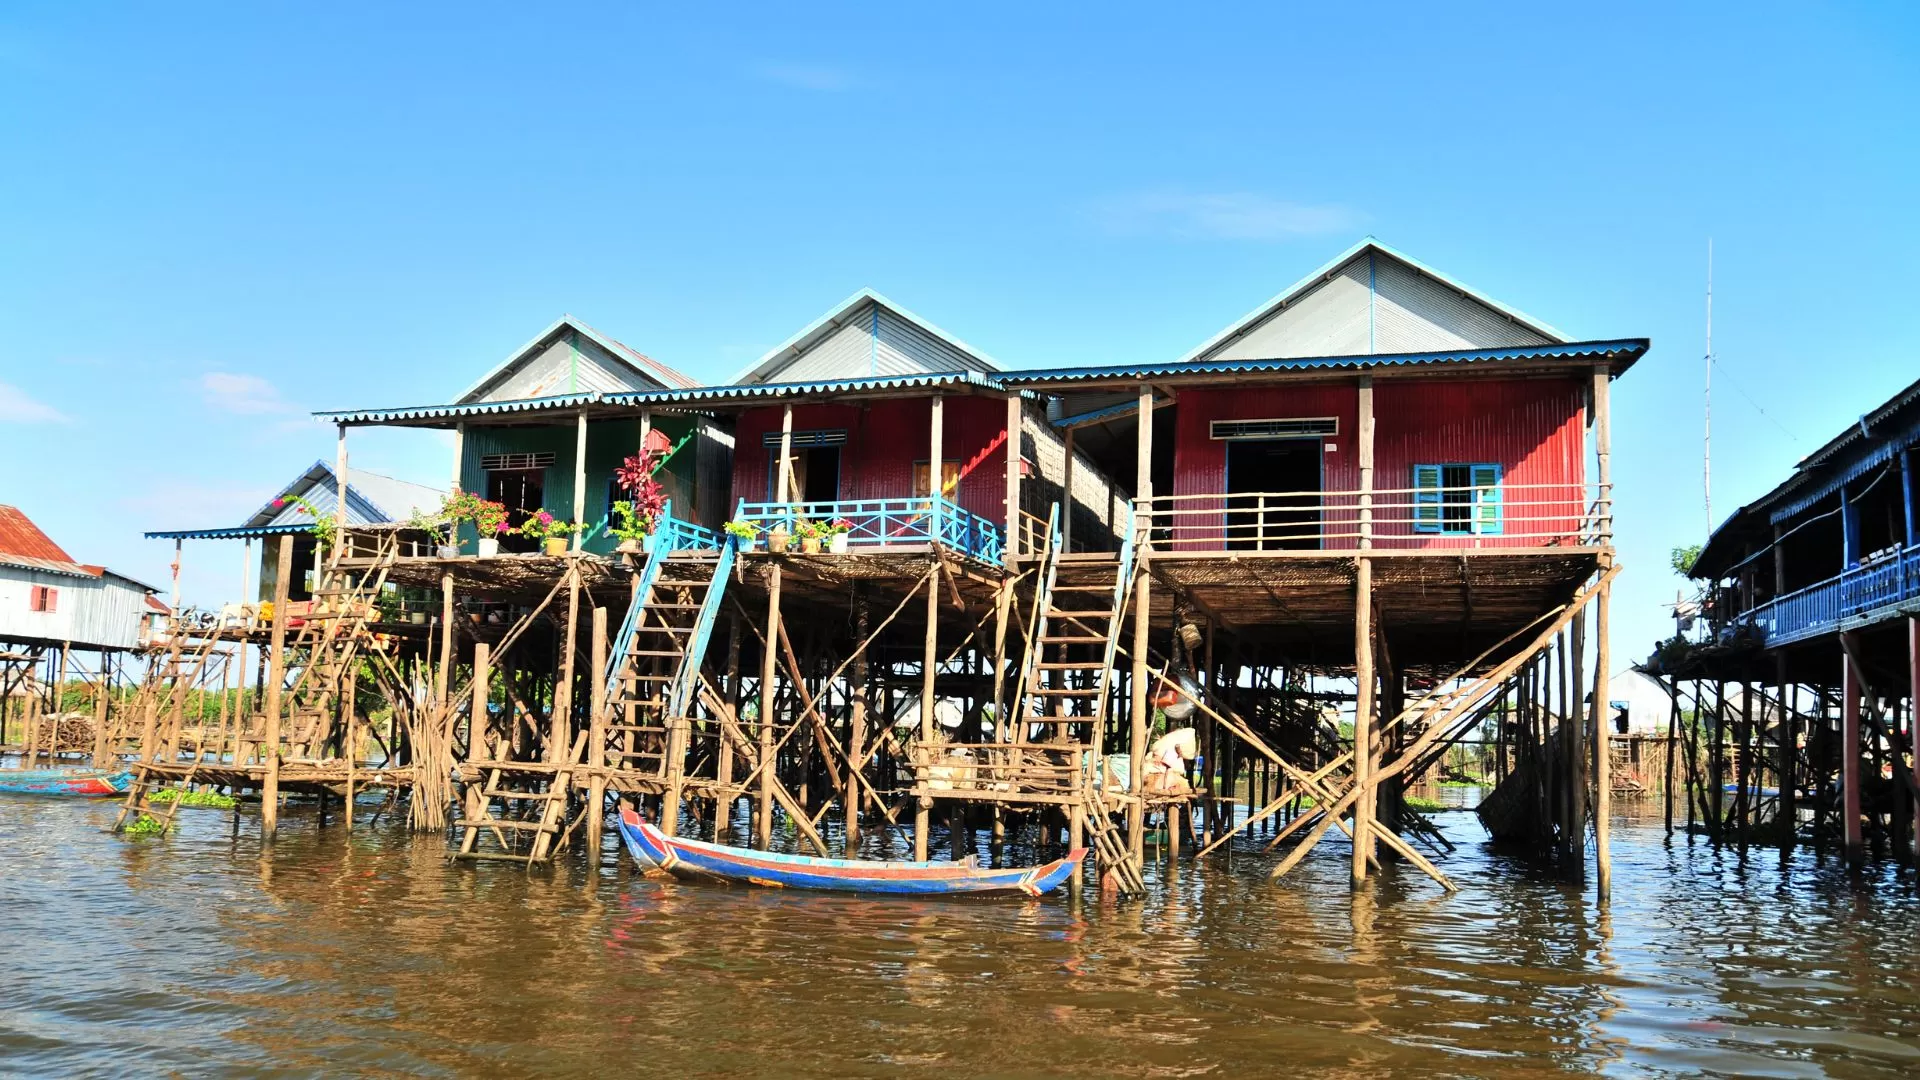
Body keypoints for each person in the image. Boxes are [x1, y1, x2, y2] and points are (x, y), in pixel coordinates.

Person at [1141, 727, 1197, 794]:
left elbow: (1177, 768)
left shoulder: (1174, 754)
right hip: (1160, 776)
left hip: (1165, 775)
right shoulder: (1169, 750)